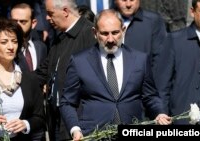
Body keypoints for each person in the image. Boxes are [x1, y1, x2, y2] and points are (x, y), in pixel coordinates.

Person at [60, 9, 171, 140]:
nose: (111, 39)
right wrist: (75, 129)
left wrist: (159, 113)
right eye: (104, 33)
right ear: (94, 33)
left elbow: (150, 96)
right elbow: (67, 102)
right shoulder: (80, 61)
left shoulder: (140, 59)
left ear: (123, 30)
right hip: (94, 134)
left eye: (115, 33)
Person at [35, 0, 97, 140]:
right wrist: (11, 76)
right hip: (56, 121)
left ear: (65, 11)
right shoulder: (61, 37)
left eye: (50, 14)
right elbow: (43, 73)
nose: (46, 18)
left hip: (79, 125)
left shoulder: (90, 35)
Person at [155, 0, 200, 124]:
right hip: (185, 118)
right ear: (192, 12)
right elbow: (162, 85)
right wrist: (161, 113)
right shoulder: (175, 41)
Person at [114, 0, 167, 73]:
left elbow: (160, 58)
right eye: (124, 0)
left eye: (132, 0)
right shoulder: (106, 20)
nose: (128, 4)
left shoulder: (152, 21)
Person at [10, 3, 47, 72]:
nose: (17, 25)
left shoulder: (41, 48)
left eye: (23, 22)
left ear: (33, 23)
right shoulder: (7, 48)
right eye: (14, 21)